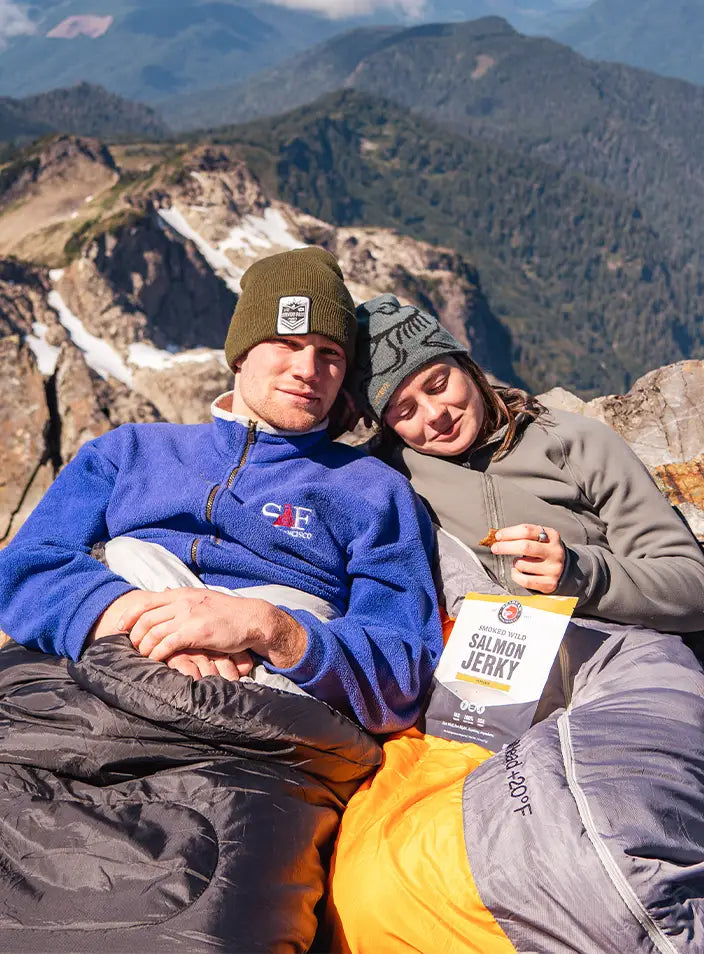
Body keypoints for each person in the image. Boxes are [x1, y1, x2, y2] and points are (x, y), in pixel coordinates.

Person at [0, 250, 442, 734]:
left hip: (256, 722)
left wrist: (270, 629)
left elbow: (401, 670)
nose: (308, 369)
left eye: (329, 354)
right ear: (240, 353)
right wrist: (134, 616)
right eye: (286, 343)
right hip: (88, 684)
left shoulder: (376, 493)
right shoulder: (127, 452)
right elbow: (23, 568)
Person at [351, 293, 704, 633]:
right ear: (388, 425)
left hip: (611, 657)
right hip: (484, 679)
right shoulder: (381, 473)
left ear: (467, 366)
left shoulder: (576, 443)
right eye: (406, 411)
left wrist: (579, 574)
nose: (435, 415)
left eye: (439, 385)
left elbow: (692, 588)